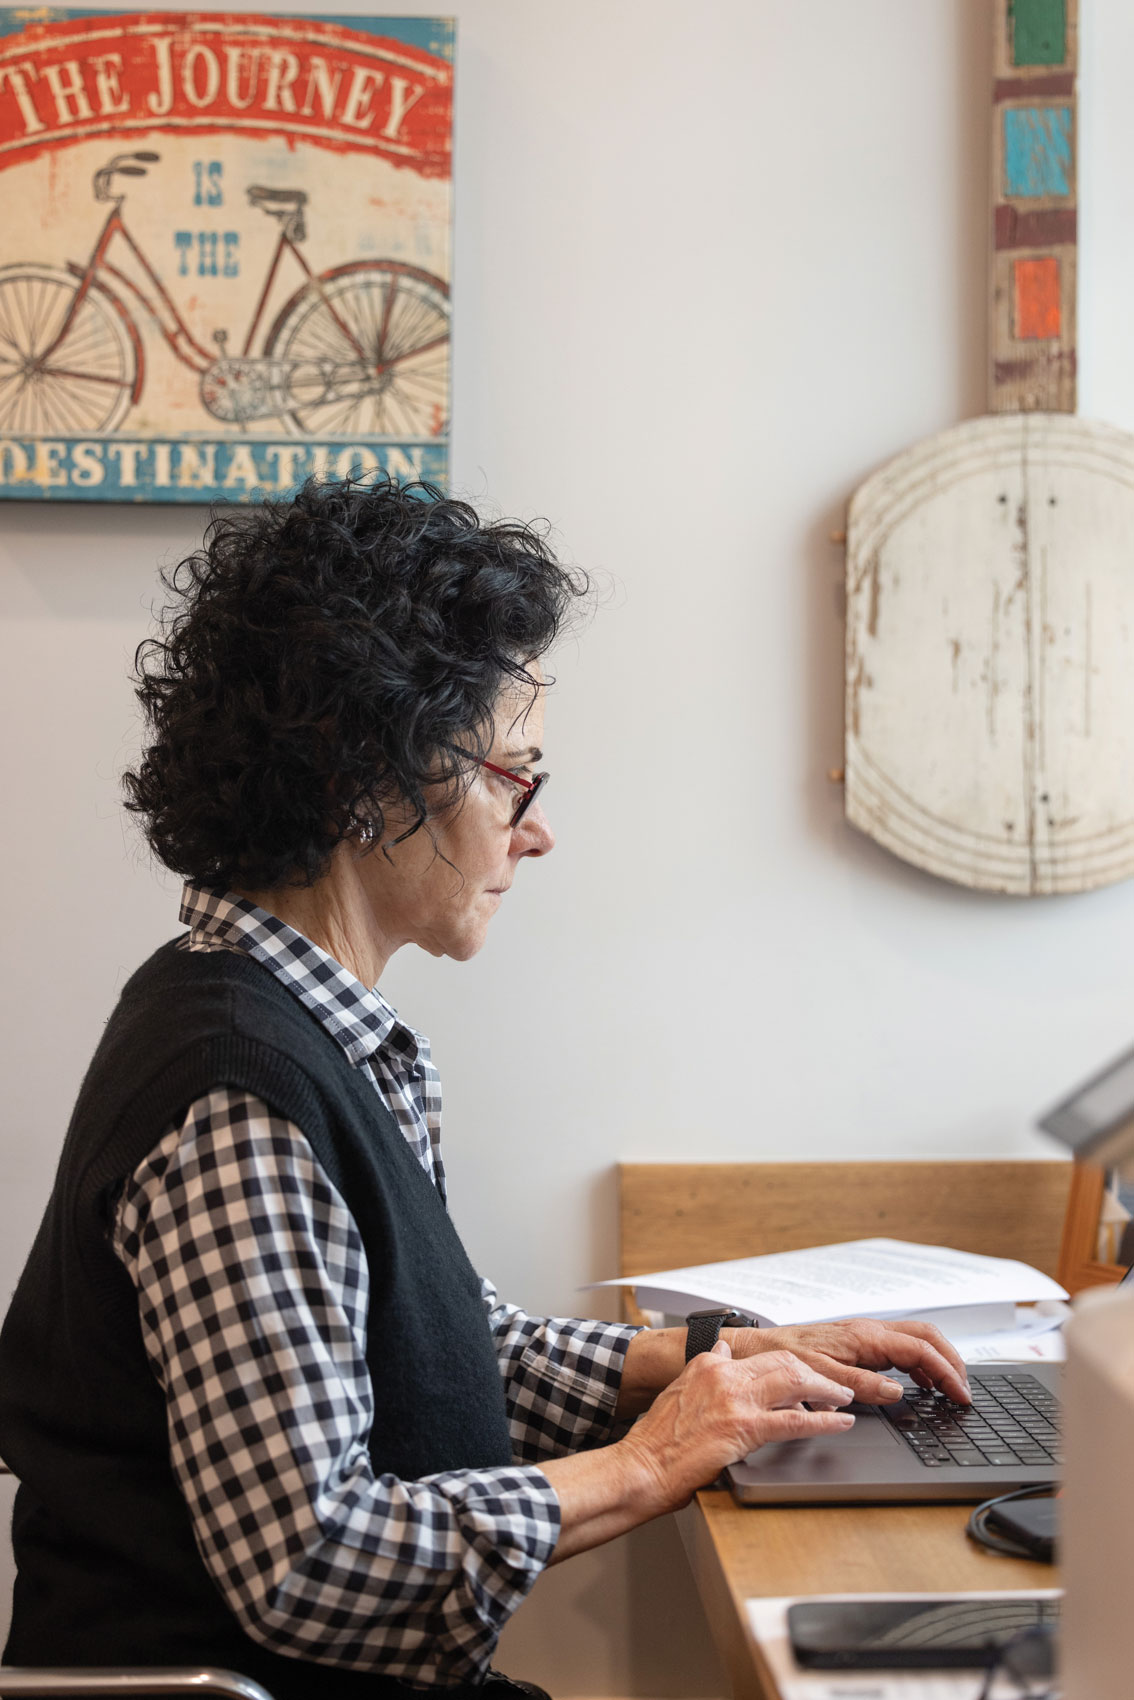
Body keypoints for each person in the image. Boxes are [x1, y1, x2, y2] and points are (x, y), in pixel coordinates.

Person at [0, 479, 970, 1698]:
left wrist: (718, 1357)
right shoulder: (240, 1094)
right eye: (516, 774)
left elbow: (449, 1356)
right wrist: (648, 1461)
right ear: (365, 781)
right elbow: (310, 1558)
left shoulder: (300, 1024)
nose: (537, 828)